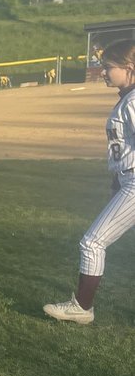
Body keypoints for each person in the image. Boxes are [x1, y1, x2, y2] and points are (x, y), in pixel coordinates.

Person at [44, 39, 135, 325]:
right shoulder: (127, 99)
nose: (103, 72)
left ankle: (82, 308)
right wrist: (116, 184)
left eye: (108, 67)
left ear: (129, 68)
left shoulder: (132, 101)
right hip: (127, 181)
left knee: (92, 242)